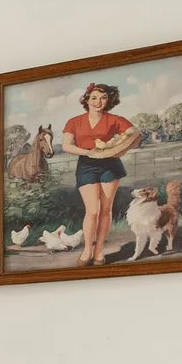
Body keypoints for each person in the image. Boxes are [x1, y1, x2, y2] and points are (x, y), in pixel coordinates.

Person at [62, 83, 139, 265]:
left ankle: (99, 251)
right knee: (92, 211)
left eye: (103, 98)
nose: (98, 102)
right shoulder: (74, 121)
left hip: (110, 165)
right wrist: (88, 152)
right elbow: (66, 145)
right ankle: (88, 249)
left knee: (106, 209)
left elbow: (134, 133)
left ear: (108, 100)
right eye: (94, 97)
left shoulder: (114, 119)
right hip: (86, 165)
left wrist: (117, 148)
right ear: (87, 99)